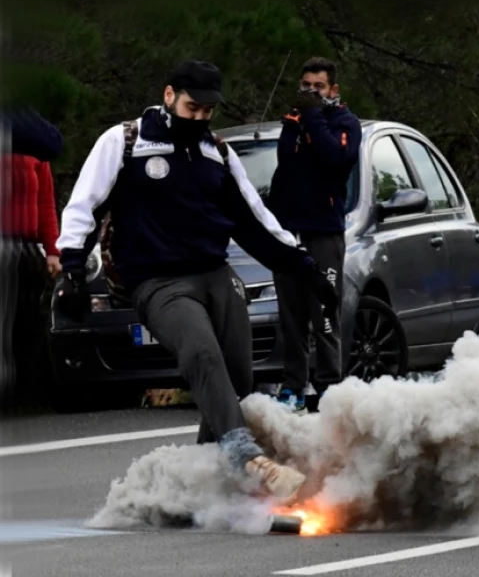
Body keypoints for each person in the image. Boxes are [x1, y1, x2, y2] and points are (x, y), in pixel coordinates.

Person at [54, 61, 337, 501]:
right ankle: (247, 457)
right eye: (193, 108)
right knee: (201, 352)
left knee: (238, 376)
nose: (200, 118)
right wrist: (72, 267)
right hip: (159, 283)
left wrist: (307, 269)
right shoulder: (125, 141)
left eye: (208, 111)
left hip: (216, 275)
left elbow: (256, 222)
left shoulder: (217, 154)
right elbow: (83, 206)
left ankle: (200, 486)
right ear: (169, 96)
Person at [268, 57, 361, 413]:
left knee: (324, 311)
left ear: (333, 90)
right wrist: (299, 122)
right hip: (290, 232)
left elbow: (336, 157)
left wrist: (313, 117)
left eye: (318, 87)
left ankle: (328, 387)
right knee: (290, 314)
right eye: (305, 86)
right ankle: (293, 384)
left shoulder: (345, 123)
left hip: (324, 232)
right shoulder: (295, 122)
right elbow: (286, 162)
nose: (310, 93)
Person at [0, 106, 64, 404]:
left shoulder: (33, 143)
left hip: (25, 246)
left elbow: (45, 202)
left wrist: (53, 250)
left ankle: (26, 392)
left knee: (27, 321)